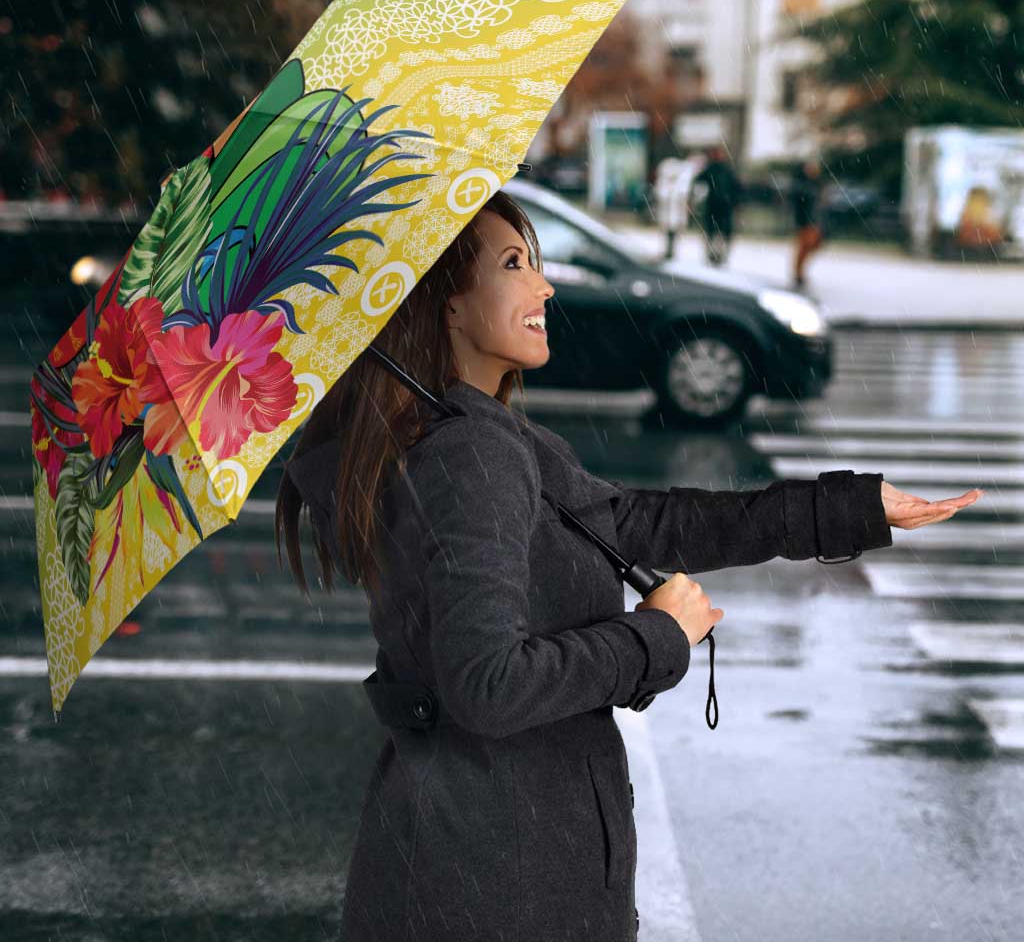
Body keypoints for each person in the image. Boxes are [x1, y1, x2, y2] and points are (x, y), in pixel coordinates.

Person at [276, 190, 977, 942]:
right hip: (497, 880)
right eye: (514, 264)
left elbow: (640, 523)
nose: (544, 286)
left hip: (479, 861)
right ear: (446, 304)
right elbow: (487, 686)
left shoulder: (474, 435)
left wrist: (849, 509)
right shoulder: (469, 455)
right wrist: (655, 637)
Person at [692, 144, 742, 267]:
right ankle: (713, 255)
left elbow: (736, 188)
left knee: (720, 233)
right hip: (715, 206)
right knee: (713, 232)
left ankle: (719, 255)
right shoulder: (712, 169)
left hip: (723, 206)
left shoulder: (725, 170)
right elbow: (698, 182)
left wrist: (735, 202)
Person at [790, 157, 826, 289]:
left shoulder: (817, 184)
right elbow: (799, 204)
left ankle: (800, 272)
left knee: (812, 246)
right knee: (804, 247)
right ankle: (798, 273)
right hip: (805, 221)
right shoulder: (802, 185)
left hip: (814, 221)